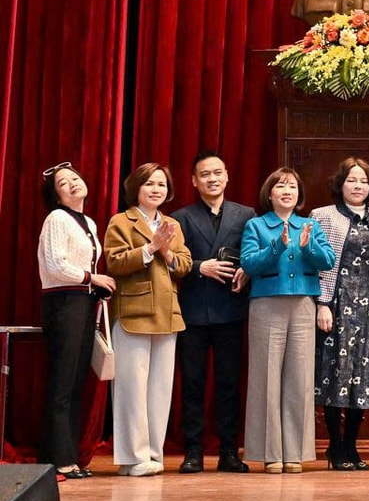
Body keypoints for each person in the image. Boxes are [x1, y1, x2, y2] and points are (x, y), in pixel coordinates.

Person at [240, 166, 337, 472]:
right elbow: (249, 264)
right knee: (266, 379)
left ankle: (294, 452)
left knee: (300, 379)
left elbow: (328, 260)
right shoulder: (256, 225)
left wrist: (308, 247)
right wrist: (277, 246)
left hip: (303, 305)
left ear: (299, 194)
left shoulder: (309, 225)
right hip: (267, 304)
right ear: (269, 194)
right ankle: (270, 453)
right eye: (280, 186)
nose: (287, 191)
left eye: (292, 187)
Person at [103, 163, 193, 476]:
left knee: (160, 390)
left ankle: (153, 454)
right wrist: (151, 247)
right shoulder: (121, 221)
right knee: (131, 388)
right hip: (133, 313)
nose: (156, 189)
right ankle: (133, 458)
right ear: (136, 188)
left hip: (167, 313)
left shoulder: (172, 224)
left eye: (161, 184)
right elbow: (114, 262)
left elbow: (184, 265)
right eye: (149, 184)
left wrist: (166, 252)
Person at [173, 151, 252, 473]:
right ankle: (193, 451)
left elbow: (254, 252)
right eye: (205, 174)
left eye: (217, 172)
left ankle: (229, 451)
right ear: (194, 181)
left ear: (227, 176)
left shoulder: (246, 214)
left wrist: (247, 269)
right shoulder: (180, 217)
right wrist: (198, 267)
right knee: (192, 383)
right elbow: (172, 261)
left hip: (231, 309)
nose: (212, 179)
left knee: (228, 384)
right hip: (192, 312)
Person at [37, 163, 114, 480]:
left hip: (83, 301)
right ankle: (59, 459)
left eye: (74, 178)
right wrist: (92, 278)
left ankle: (68, 455)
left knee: (76, 382)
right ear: (56, 196)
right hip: (64, 302)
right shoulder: (57, 218)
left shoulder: (89, 222)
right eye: (62, 183)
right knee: (63, 381)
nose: (71, 183)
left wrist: (95, 286)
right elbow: (56, 265)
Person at [313, 158, 369, 471]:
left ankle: (352, 446)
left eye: (363, 181)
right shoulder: (322, 216)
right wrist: (321, 303)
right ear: (340, 184)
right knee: (335, 375)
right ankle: (335, 446)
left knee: (362, 377)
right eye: (352, 180)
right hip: (336, 304)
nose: (358, 186)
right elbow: (315, 264)